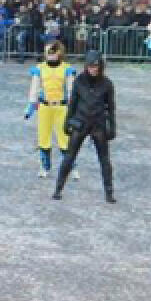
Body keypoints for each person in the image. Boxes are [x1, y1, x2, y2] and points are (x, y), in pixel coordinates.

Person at [53, 51, 116, 203]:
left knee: (105, 160)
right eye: (90, 66)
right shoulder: (79, 81)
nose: (93, 69)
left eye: (96, 66)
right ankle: (58, 189)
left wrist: (112, 127)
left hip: (98, 124)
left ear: (101, 66)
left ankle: (109, 193)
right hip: (80, 122)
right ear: (86, 66)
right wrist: (67, 122)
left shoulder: (107, 83)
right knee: (69, 157)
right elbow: (72, 103)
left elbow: (111, 107)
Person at [25, 41, 77, 179]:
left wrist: (74, 108)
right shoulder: (40, 68)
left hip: (62, 107)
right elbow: (34, 88)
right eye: (48, 52)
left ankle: (70, 167)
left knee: (65, 138)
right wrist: (31, 105)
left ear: (60, 52)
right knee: (43, 138)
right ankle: (45, 167)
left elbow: (72, 90)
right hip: (45, 107)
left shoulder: (67, 69)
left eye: (54, 52)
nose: (51, 55)